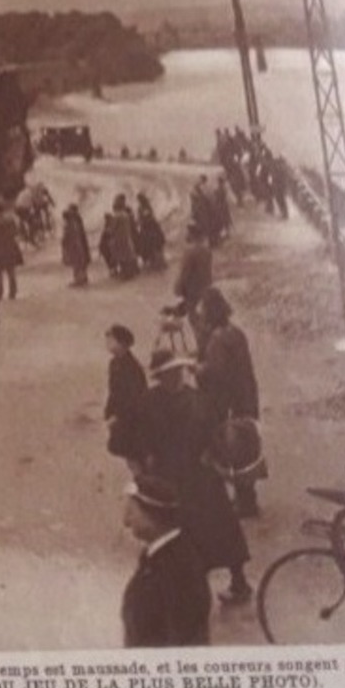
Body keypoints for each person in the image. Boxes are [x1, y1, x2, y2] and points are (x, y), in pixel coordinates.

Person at [129, 350, 253, 606]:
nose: (176, 377)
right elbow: (142, 439)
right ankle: (194, 589)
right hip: (173, 478)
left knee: (221, 528)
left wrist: (214, 455)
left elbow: (215, 433)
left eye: (178, 372)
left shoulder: (197, 399)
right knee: (190, 534)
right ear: (160, 377)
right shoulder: (150, 402)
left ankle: (238, 581)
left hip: (200, 475)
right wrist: (146, 465)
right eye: (169, 374)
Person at [120, 474, 212, 648]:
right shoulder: (166, 554)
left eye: (132, 511)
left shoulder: (177, 573)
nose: (126, 521)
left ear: (152, 516)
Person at [194, 288, 263, 518]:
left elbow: (216, 373)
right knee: (246, 448)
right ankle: (248, 499)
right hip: (246, 398)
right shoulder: (235, 332)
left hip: (227, 403)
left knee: (231, 450)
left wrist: (197, 369)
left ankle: (243, 503)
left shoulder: (217, 340)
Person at [103, 324, 147, 469]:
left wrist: (118, 416)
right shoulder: (115, 363)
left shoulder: (131, 368)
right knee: (129, 456)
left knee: (135, 456)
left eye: (111, 339)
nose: (108, 342)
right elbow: (113, 392)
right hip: (120, 418)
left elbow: (134, 399)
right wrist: (109, 413)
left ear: (122, 343)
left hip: (132, 419)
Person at [171, 222, 213, 345]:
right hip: (205, 288)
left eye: (188, 232)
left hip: (192, 291)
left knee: (194, 320)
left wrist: (177, 289)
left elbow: (184, 273)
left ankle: (202, 347)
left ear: (193, 234)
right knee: (203, 318)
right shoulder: (206, 250)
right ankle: (206, 345)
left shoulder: (189, 251)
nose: (186, 235)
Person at [0, 199, 24, 300]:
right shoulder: (10, 219)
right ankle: (13, 292)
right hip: (11, 246)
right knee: (11, 271)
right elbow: (16, 231)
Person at [135, 193, 166, 272]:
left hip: (148, 229)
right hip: (151, 227)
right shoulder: (146, 206)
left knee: (150, 245)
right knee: (154, 245)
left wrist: (139, 222)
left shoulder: (143, 208)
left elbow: (144, 218)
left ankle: (156, 263)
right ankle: (157, 262)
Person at [61, 204, 90, 287]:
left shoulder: (70, 224)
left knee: (76, 263)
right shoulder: (78, 220)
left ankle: (79, 280)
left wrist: (63, 242)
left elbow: (66, 236)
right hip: (80, 244)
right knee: (81, 261)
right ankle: (83, 277)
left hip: (74, 246)